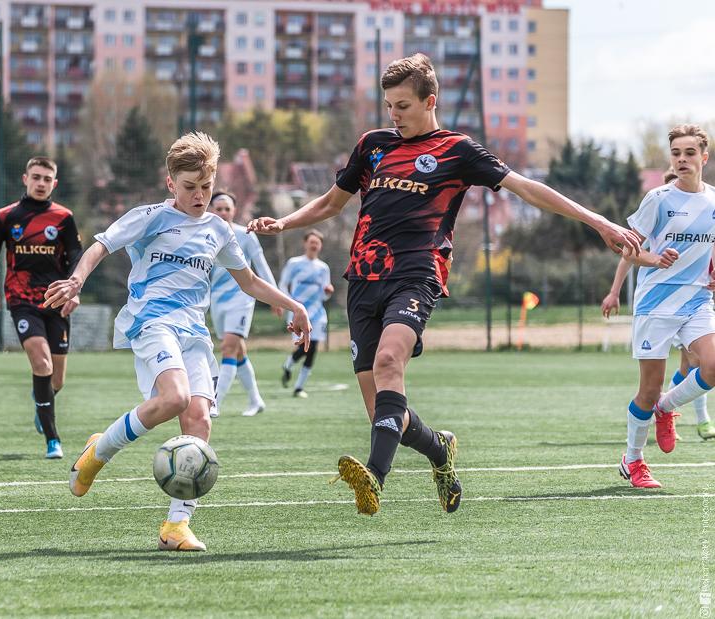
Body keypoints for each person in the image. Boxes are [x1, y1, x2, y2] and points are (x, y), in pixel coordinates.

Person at [248, 53, 641, 516]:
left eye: (403, 106)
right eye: (389, 106)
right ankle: (440, 450)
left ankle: (374, 478)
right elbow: (331, 203)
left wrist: (598, 222)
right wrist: (284, 223)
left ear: (429, 101)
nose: (394, 115)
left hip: (417, 275)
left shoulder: (457, 150)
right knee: (385, 414)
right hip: (363, 281)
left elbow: (527, 188)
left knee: (389, 362)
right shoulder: (373, 145)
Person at [44, 132, 311, 551]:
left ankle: (176, 526)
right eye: (190, 187)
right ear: (171, 183)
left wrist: (294, 306)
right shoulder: (150, 217)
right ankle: (99, 453)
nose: (199, 196)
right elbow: (100, 247)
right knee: (175, 398)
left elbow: (249, 281)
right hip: (152, 322)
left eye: (206, 186)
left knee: (199, 419)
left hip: (193, 332)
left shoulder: (219, 230)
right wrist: (76, 280)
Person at [610, 125, 715, 488]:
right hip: (656, 303)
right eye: (676, 153)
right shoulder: (658, 198)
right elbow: (628, 249)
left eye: (689, 153)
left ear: (704, 157)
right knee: (649, 389)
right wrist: (655, 259)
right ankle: (633, 460)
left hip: (698, 300)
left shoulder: (714, 201)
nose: (682, 159)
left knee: (713, 366)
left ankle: (666, 408)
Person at [0, 156, 83, 458]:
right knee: (42, 365)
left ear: (55, 183)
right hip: (22, 300)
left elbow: (76, 258)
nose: (41, 183)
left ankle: (42, 400)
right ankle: (53, 440)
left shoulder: (63, 217)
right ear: (25, 179)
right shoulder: (6, 216)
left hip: (57, 300)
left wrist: (74, 290)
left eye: (47, 179)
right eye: (36, 177)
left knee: (57, 380)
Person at [208, 191, 278, 417]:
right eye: (219, 209)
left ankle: (215, 402)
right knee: (237, 351)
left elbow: (261, 265)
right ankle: (256, 400)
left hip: (242, 299)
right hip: (217, 300)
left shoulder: (245, 235)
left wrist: (274, 296)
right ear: (211, 210)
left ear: (234, 211)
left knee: (228, 347)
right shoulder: (204, 234)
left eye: (227, 209)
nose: (223, 212)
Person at [278, 230, 333, 398]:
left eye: (317, 242)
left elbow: (324, 294)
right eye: (312, 242)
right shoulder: (294, 263)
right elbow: (283, 284)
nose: (314, 245)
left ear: (320, 246)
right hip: (298, 314)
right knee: (303, 347)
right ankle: (288, 365)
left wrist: (328, 292)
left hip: (317, 314)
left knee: (313, 348)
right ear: (305, 243)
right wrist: (288, 303)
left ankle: (299, 387)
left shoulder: (323, 268)